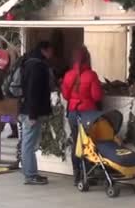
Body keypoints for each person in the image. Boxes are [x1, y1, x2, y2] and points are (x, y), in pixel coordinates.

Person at [61, 46, 103, 186]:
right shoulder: (91, 75)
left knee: (76, 143)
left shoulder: (68, 75)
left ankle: (77, 174)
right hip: (88, 113)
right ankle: (89, 174)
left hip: (73, 112)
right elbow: (97, 96)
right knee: (89, 143)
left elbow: (66, 95)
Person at [19, 41, 54, 185]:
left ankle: (30, 173)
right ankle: (30, 175)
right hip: (31, 111)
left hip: (27, 108)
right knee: (28, 143)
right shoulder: (37, 66)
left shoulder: (28, 62)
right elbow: (33, 91)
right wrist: (33, 114)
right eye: (51, 50)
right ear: (44, 50)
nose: (52, 54)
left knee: (29, 143)